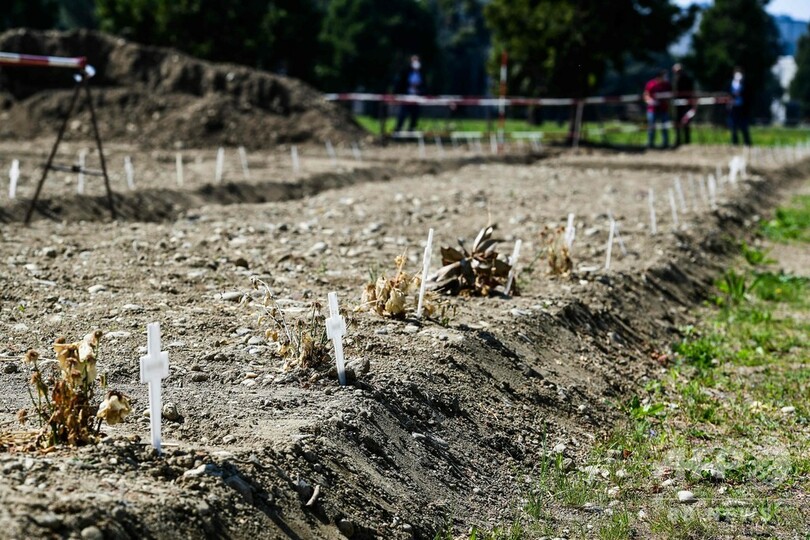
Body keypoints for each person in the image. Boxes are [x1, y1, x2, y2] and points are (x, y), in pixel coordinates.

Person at [394, 55, 423, 133]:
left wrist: (419, 90)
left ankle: (411, 134)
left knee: (414, 117)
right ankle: (397, 132)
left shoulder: (421, 73)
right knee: (402, 115)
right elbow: (400, 84)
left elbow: (423, 86)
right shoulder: (406, 72)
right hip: (406, 98)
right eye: (414, 61)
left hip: (416, 98)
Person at [644, 70, 672, 149]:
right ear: (659, 76)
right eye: (664, 76)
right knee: (651, 127)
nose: (666, 78)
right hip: (652, 109)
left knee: (665, 127)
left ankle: (665, 144)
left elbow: (671, 94)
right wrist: (650, 101)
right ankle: (650, 144)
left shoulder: (667, 85)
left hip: (663, 109)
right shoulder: (651, 84)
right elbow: (646, 94)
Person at [672, 63, 695, 146]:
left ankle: (687, 140)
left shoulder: (687, 78)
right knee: (677, 122)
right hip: (677, 103)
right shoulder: (675, 79)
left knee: (686, 121)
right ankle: (678, 139)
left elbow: (690, 91)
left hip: (686, 103)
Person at [728, 66, 752, 146]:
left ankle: (747, 142)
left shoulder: (745, 83)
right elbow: (728, 94)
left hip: (742, 108)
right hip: (733, 107)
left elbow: (748, 95)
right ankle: (735, 142)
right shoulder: (730, 83)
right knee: (733, 126)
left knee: (744, 126)